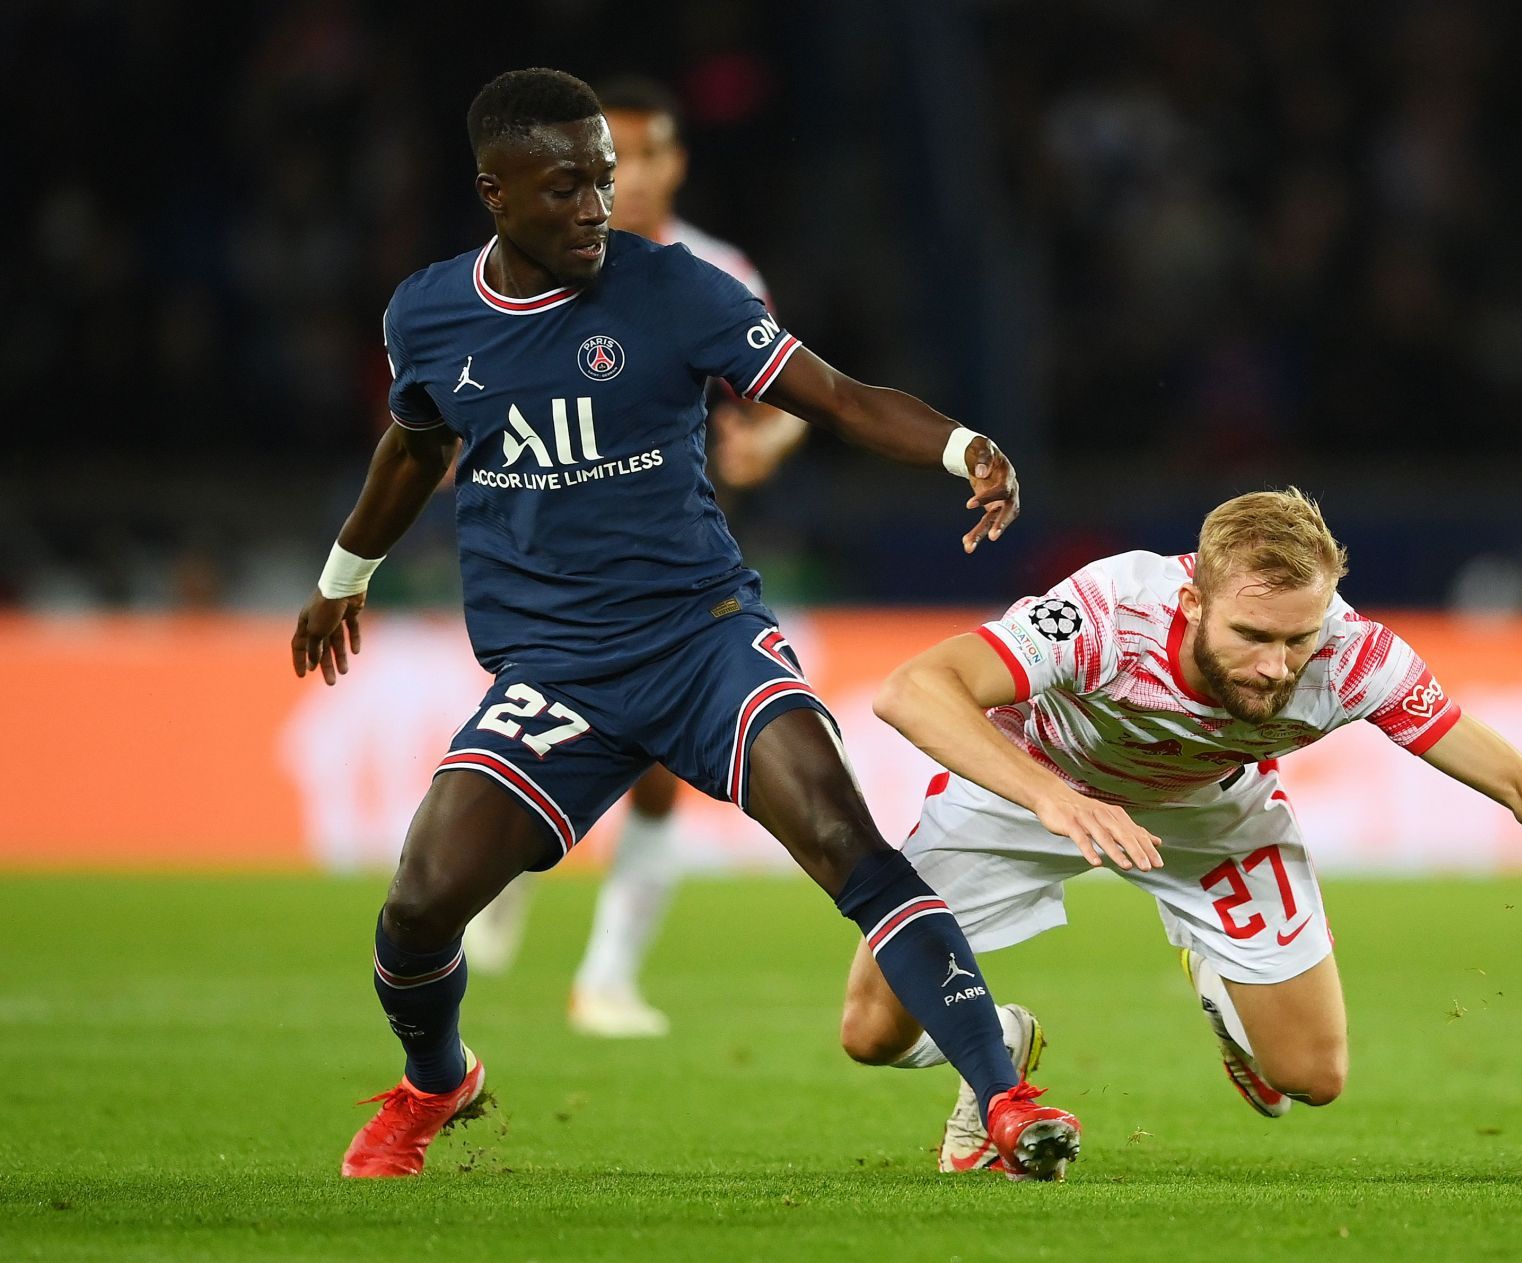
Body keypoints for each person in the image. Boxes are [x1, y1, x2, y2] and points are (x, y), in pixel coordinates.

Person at [293, 67, 1081, 1182]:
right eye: (563, 187)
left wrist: (966, 449)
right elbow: (419, 441)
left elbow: (840, 396)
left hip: (703, 640)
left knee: (847, 842)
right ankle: (438, 1082)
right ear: (495, 192)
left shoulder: (679, 291)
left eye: (603, 182)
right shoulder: (426, 314)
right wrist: (345, 573)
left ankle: (1005, 1102)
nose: (593, 209)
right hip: (556, 673)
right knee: (421, 906)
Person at [837, 488, 1522, 1172]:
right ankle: (999, 1040)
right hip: (1028, 785)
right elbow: (913, 689)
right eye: (1253, 637)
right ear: (1193, 601)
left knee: (1313, 1076)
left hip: (1209, 812)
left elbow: (1520, 777)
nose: (1276, 665)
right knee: (871, 1035)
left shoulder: (1355, 657)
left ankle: (1218, 979)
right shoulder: (1110, 613)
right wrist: (1053, 797)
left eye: (1299, 638)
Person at [461, 76, 812, 1040]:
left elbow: (781, 391)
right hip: (541, 558)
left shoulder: (716, 267)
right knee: (561, 746)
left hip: (671, 563)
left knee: (656, 765)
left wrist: (767, 442)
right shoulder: (524, 263)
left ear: (675, 162)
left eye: (647, 156)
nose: (629, 178)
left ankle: (605, 976)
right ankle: (507, 863)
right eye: (609, 159)